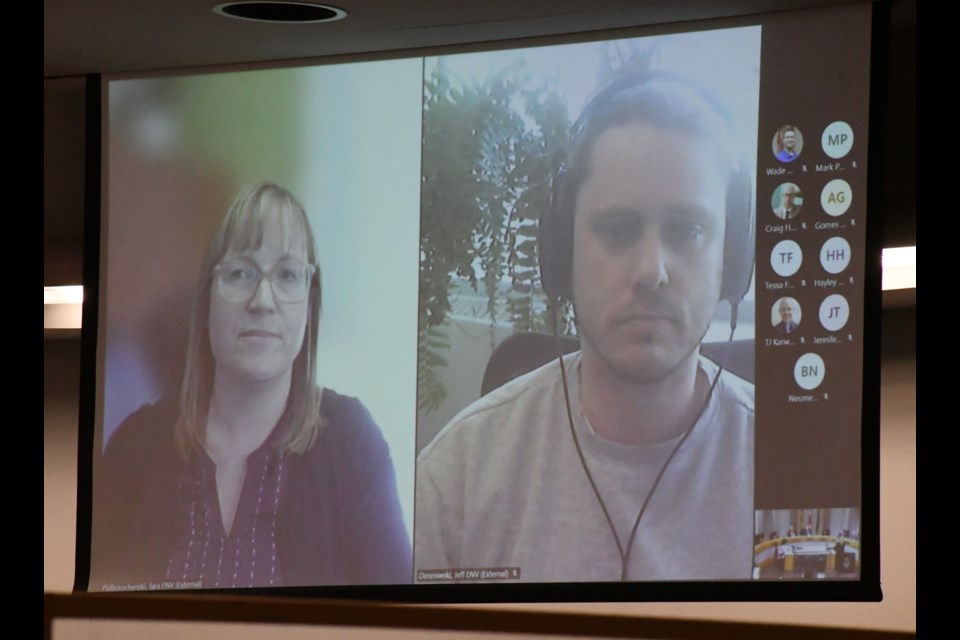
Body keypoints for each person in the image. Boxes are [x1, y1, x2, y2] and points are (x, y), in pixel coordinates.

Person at [415, 73, 755, 583]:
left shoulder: (795, 470)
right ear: (561, 250)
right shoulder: (457, 479)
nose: (651, 272)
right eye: (618, 231)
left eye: (687, 231)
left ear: (730, 260)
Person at [94, 182, 411, 589]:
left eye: (287, 274)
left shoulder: (351, 443)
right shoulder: (133, 448)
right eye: (241, 273)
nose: (263, 300)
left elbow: (399, 621)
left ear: (310, 307)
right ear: (206, 300)